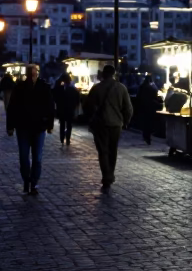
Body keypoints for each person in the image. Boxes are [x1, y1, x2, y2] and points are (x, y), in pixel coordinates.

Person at [83, 64, 133, 192]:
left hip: (100, 124)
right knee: (113, 150)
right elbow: (128, 108)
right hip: (116, 124)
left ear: (103, 74)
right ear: (114, 74)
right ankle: (110, 173)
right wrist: (125, 121)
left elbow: (87, 106)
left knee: (103, 151)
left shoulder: (96, 88)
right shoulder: (121, 88)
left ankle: (106, 176)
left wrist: (91, 118)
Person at [7, 64, 54, 195]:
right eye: (30, 73)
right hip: (23, 127)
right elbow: (12, 107)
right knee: (24, 157)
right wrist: (10, 126)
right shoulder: (19, 87)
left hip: (39, 127)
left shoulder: (44, 87)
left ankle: (33, 182)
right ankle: (26, 180)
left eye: (34, 73)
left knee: (37, 157)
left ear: (37, 73)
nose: (32, 75)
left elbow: (50, 106)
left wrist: (49, 125)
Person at [52, 74, 82, 146]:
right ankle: (68, 138)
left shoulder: (60, 89)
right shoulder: (74, 90)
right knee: (69, 124)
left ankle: (62, 138)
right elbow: (78, 101)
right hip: (70, 110)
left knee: (62, 124)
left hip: (61, 109)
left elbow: (54, 94)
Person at [135, 75, 160, 145]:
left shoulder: (142, 86)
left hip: (143, 107)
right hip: (150, 107)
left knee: (145, 122)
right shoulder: (152, 87)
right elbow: (155, 96)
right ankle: (148, 137)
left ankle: (145, 136)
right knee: (149, 122)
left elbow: (138, 96)